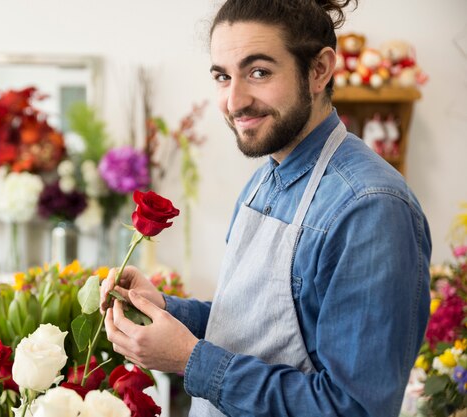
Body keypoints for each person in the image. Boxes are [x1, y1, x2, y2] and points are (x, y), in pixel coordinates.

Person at [101, 0, 432, 416]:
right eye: (223, 76)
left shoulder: (370, 207)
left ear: (319, 70)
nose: (234, 101)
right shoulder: (266, 177)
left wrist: (190, 360)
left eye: (258, 72)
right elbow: (248, 330)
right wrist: (164, 308)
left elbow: (353, 408)